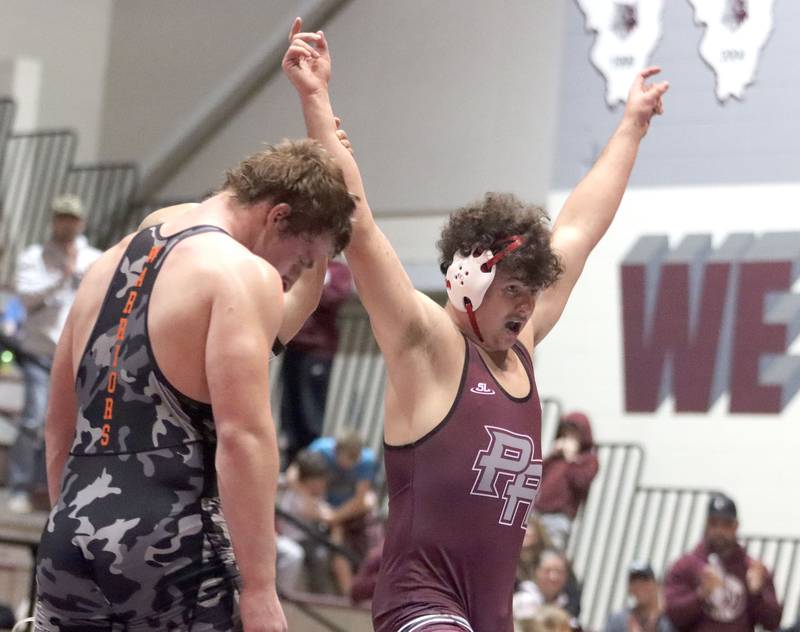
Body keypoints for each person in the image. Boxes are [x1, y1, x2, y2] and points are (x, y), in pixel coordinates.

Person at [283, 17, 668, 632]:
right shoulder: (427, 344)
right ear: (469, 283)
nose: (525, 306)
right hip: (421, 608)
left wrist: (630, 128)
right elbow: (358, 224)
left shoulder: (522, 349)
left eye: (531, 292)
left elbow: (579, 229)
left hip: (490, 616)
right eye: (513, 290)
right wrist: (316, 99)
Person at [35, 139, 355, 631]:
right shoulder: (241, 271)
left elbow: (58, 425)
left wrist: (76, 522)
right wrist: (261, 590)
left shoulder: (105, 266)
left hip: (69, 540)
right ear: (277, 217)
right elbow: (243, 437)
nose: (294, 274)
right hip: (169, 545)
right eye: (304, 257)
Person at [7, 195, 101, 514]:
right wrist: (62, 275)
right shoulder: (34, 257)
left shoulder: (95, 259)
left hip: (75, 356)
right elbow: (24, 297)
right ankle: (20, 487)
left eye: (72, 218)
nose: (66, 223)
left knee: (67, 425)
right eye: (61, 217)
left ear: (81, 223)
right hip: (38, 351)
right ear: (53, 220)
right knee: (33, 419)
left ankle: (53, 492)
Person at [664, 493, 783, 632]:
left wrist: (757, 593)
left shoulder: (752, 569)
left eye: (726, 524)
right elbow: (672, 617)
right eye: (714, 523)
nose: (719, 531)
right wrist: (701, 594)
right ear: (706, 525)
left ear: (736, 526)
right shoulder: (685, 566)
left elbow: (773, 622)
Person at [280, 258, 352, 466]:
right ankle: (290, 463)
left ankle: (309, 465)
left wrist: (307, 289)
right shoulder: (299, 263)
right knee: (289, 410)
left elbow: (334, 297)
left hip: (318, 351)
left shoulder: (338, 271)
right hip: (292, 346)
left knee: (311, 410)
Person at [307, 431, 378, 595]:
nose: (353, 463)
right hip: (321, 508)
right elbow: (297, 475)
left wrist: (334, 518)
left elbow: (361, 499)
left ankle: (352, 595)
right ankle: (349, 595)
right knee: (338, 553)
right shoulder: (320, 450)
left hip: (348, 515)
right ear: (335, 452)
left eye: (356, 458)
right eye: (349, 458)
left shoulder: (366, 460)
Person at [536, 411, 599, 550]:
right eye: (564, 435)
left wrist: (571, 458)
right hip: (537, 513)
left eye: (572, 436)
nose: (567, 440)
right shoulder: (556, 459)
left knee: (551, 552)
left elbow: (580, 481)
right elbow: (538, 474)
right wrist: (552, 455)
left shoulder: (588, 460)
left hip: (559, 517)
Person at [514, 548, 581, 622]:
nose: (553, 577)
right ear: (536, 571)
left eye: (559, 572)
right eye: (547, 571)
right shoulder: (523, 599)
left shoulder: (569, 605)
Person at [606, 562, 674, 632]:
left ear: (657, 585)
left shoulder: (672, 621)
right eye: (633, 581)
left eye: (645, 579)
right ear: (629, 589)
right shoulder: (618, 620)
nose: (639, 586)